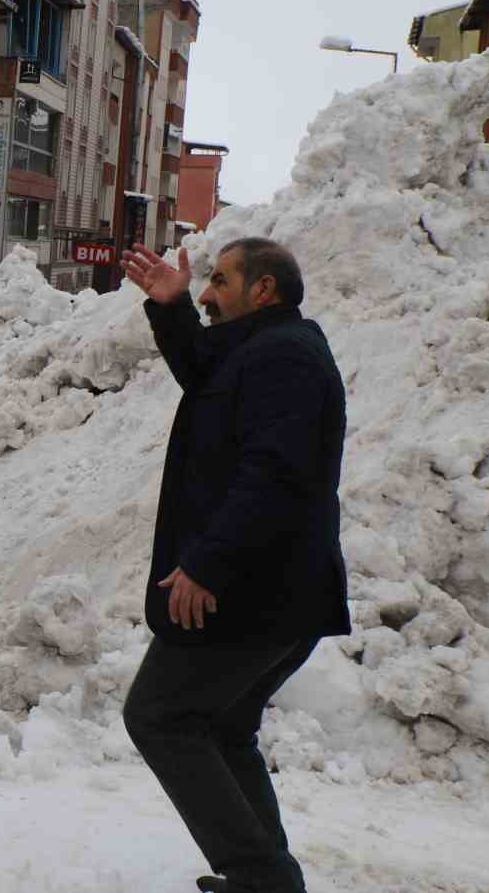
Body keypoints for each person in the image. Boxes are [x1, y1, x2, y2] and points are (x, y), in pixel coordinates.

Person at [118, 238, 350, 893]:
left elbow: (276, 476)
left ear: (264, 290)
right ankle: (266, 880)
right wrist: (170, 310)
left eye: (220, 279)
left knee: (159, 716)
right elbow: (206, 370)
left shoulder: (286, 359)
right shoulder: (262, 349)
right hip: (277, 593)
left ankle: (263, 881)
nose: (206, 291)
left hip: (254, 593)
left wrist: (209, 565)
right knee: (222, 726)